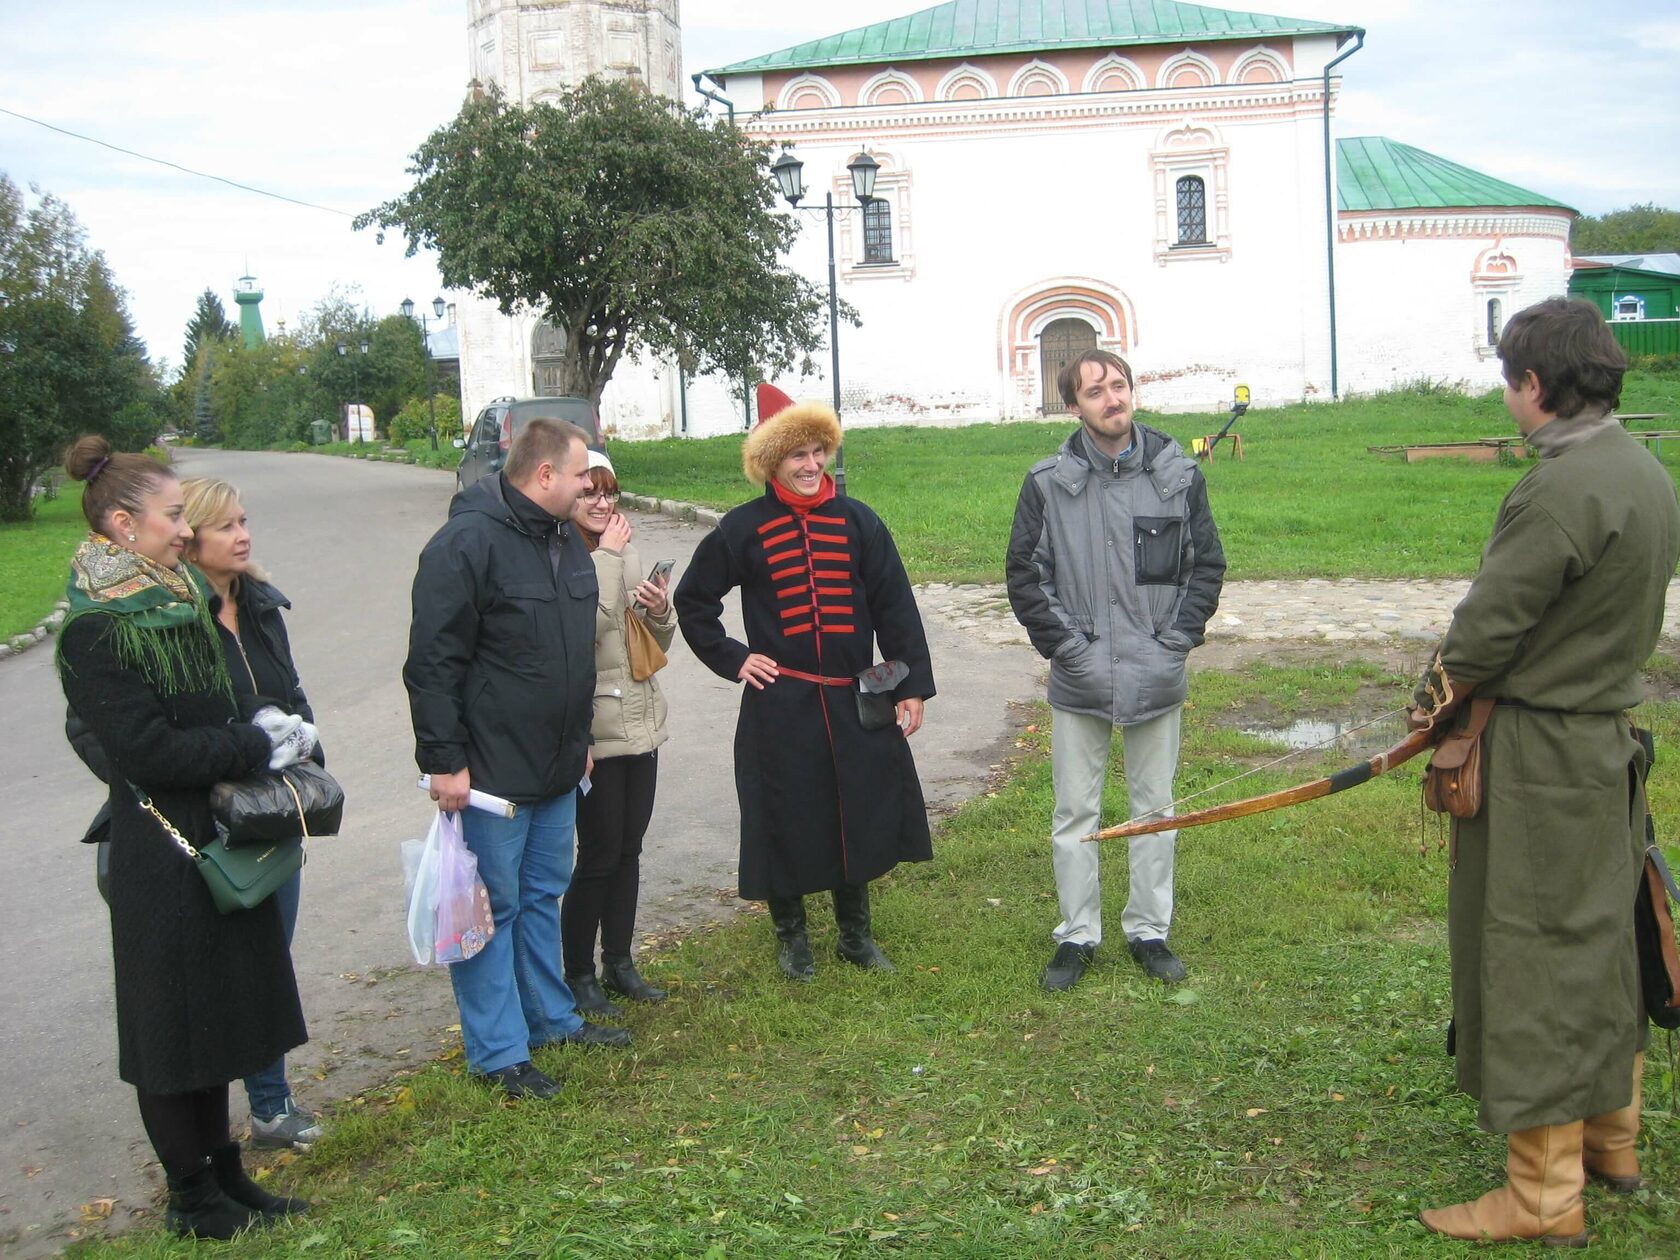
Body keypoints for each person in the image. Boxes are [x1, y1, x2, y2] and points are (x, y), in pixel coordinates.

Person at [1407, 298, 1679, 1245]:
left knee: (1535, 958)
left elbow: (1486, 629)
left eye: (1508, 379)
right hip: (1603, 747)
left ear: (1534, 384)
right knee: (1601, 945)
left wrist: (1424, 710)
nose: (1508, 396)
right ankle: (1612, 1139)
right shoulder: (1642, 468)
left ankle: (1542, 1194)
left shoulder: (1560, 486)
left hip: (1543, 758)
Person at [55, 436, 312, 1240]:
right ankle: (190, 1196)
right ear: (124, 525)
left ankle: (226, 1171)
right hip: (160, 857)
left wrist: (264, 727)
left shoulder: (176, 598)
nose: (183, 528)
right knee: (173, 1030)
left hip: (215, 836)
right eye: (173, 515)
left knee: (222, 1017)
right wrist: (252, 745)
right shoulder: (96, 631)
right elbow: (148, 752)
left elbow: (221, 706)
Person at [675, 385, 935, 981]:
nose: (813, 465)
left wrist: (909, 684)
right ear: (771, 463)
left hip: (854, 692)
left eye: (820, 450)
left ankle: (855, 934)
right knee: (782, 813)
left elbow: (896, 605)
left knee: (856, 805)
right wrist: (735, 658)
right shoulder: (742, 529)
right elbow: (693, 602)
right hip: (781, 700)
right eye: (798, 455)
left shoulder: (858, 521)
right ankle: (792, 937)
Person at [404, 418, 628, 1102]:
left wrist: (582, 736)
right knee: (489, 909)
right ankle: (499, 1052)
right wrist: (445, 762)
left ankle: (551, 1019)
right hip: (490, 777)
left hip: (559, 766)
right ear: (545, 476)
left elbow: (572, 657)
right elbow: (432, 664)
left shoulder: (564, 541)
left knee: (539, 898)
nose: (592, 485)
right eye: (582, 472)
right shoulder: (466, 544)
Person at [1006, 349, 1225, 991]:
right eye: (1095, 389)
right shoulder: (1047, 483)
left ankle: (1149, 930)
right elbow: (1026, 574)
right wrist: (1069, 649)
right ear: (1074, 405)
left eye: (1119, 384)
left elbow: (1203, 566)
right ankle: (1077, 935)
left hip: (1156, 672)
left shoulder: (1176, 475)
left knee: (1155, 807)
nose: (1112, 398)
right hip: (1081, 677)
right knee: (1076, 811)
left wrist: (1176, 640)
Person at [180, 476, 324, 1149]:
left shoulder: (260, 603)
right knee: (217, 969)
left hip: (272, 812)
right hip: (206, 817)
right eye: (227, 525)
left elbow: (293, 692)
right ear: (191, 538)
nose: (244, 535)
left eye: (245, 521)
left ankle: (270, 1107)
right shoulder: (175, 616)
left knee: (270, 956)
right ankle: (205, 1121)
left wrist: (305, 738)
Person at [560, 452, 677, 1014]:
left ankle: (621, 962)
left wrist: (659, 611)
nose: (603, 504)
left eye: (610, 493)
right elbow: (586, 626)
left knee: (629, 850)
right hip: (597, 731)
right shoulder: (563, 554)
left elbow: (646, 645)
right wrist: (607, 557)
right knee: (599, 855)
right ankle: (578, 973)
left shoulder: (622, 552)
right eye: (590, 494)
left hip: (641, 719)